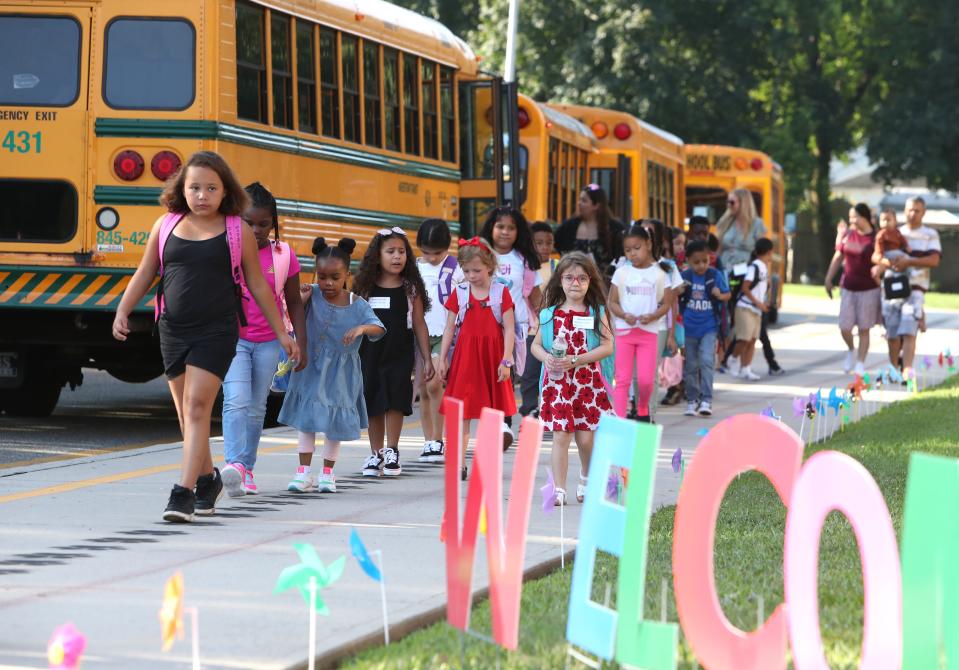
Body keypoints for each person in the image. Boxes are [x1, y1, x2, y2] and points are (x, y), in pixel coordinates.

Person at [112, 151, 298, 522]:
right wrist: (122, 309)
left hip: (217, 330)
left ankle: (182, 493)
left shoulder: (236, 229)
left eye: (211, 188)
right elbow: (146, 270)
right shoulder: (165, 225)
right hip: (172, 329)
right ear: (182, 188)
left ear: (224, 191)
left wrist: (283, 333)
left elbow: (259, 286)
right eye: (194, 187)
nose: (202, 195)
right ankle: (208, 480)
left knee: (198, 408)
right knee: (186, 414)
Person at [218, 183, 307, 497]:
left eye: (263, 224)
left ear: (274, 224)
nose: (255, 230)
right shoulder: (225, 250)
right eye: (248, 222)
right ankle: (234, 465)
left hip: (270, 340)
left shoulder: (283, 256)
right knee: (236, 400)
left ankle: (247, 467)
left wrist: (299, 343)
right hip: (234, 339)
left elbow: (294, 301)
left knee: (257, 408)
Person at [279, 238, 385, 493]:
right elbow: (288, 315)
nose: (327, 283)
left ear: (347, 274)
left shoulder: (356, 303)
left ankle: (328, 473)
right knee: (306, 420)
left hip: (341, 375)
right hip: (311, 368)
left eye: (334, 277)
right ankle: (303, 472)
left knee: (333, 423)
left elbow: (379, 328)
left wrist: (360, 328)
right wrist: (301, 300)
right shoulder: (311, 293)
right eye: (322, 276)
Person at [531, 252, 614, 504]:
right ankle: (559, 489)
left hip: (586, 382)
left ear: (590, 281)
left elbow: (608, 346)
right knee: (560, 435)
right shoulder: (549, 314)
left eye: (581, 278)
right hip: (558, 384)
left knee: (586, 438)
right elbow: (536, 345)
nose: (575, 283)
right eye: (569, 278)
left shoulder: (596, 311)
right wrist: (546, 357)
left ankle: (587, 477)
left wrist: (577, 360)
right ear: (560, 281)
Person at [354, 228, 434, 477]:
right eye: (390, 251)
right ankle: (375, 453)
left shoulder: (410, 288)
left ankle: (392, 450)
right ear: (377, 256)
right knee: (374, 402)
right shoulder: (365, 287)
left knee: (395, 401)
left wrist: (427, 357)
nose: (397, 257)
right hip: (370, 353)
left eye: (401, 252)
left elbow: (419, 323)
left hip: (399, 352)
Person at [439, 237, 516, 481]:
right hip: (465, 356)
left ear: (490, 266)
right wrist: (442, 359)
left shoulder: (500, 291)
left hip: (492, 356)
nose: (471, 275)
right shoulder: (460, 292)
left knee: (491, 413)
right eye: (466, 270)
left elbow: (510, 329)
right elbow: (449, 328)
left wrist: (506, 360)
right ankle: (459, 463)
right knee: (462, 411)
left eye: (477, 270)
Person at [479, 207, 542, 446]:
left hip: (516, 328)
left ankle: (504, 423)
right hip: (484, 326)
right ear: (491, 228)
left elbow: (535, 295)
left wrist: (548, 322)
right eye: (500, 226)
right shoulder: (480, 254)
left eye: (511, 228)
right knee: (488, 377)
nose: (505, 232)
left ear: (519, 232)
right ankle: (496, 422)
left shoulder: (523, 260)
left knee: (507, 375)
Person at [607, 224, 673, 421]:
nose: (632, 254)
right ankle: (620, 418)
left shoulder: (659, 274)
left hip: (648, 333)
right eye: (628, 250)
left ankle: (642, 408)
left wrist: (653, 316)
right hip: (624, 333)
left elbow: (666, 303)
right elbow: (612, 301)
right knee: (622, 380)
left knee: (645, 380)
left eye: (637, 248)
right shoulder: (622, 273)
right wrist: (623, 315)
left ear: (648, 244)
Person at [873, 197, 941, 373]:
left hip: (915, 288)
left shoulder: (930, 234)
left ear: (923, 212)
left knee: (909, 329)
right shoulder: (894, 232)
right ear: (904, 211)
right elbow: (876, 255)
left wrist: (909, 262)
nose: (913, 214)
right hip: (892, 288)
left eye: (917, 210)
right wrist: (887, 264)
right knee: (893, 333)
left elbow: (934, 260)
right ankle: (894, 367)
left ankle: (907, 371)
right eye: (910, 210)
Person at [415, 219, 462, 463]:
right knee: (423, 388)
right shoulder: (415, 267)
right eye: (426, 252)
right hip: (419, 334)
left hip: (444, 335)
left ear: (448, 247)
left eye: (438, 253)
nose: (432, 258)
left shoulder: (456, 269)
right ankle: (428, 441)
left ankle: (437, 439)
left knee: (435, 384)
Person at [824, 203, 881, 376]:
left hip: (869, 289)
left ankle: (860, 364)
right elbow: (838, 256)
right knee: (844, 326)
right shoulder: (848, 235)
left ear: (863, 217)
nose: (851, 220)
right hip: (848, 286)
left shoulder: (876, 237)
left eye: (854, 217)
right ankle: (850, 349)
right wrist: (828, 278)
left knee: (864, 328)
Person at [679, 240, 730, 416]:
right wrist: (678, 291)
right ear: (688, 261)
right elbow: (671, 295)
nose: (701, 265)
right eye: (696, 262)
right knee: (691, 365)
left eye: (705, 261)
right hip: (689, 328)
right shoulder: (684, 276)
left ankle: (706, 400)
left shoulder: (714, 275)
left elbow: (727, 294)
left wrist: (720, 294)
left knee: (707, 362)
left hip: (709, 327)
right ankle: (692, 400)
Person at [519, 221, 557, 417]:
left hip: (556, 329)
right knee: (530, 374)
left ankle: (551, 410)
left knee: (553, 374)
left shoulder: (558, 267)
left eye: (549, 243)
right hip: (532, 330)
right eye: (539, 243)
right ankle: (529, 409)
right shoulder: (525, 268)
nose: (545, 247)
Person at [554, 184, 626, 279]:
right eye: (579, 200)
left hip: (605, 286)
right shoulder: (568, 226)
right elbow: (556, 246)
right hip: (574, 283)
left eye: (584, 201)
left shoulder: (615, 228)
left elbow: (621, 256)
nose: (579, 203)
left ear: (596, 205)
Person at [728, 238, 775, 381]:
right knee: (744, 338)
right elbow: (745, 288)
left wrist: (763, 302)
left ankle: (746, 368)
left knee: (752, 340)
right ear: (768, 252)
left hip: (756, 309)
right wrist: (758, 303)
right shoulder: (755, 266)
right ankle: (733, 359)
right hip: (745, 307)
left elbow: (761, 289)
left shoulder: (763, 267)